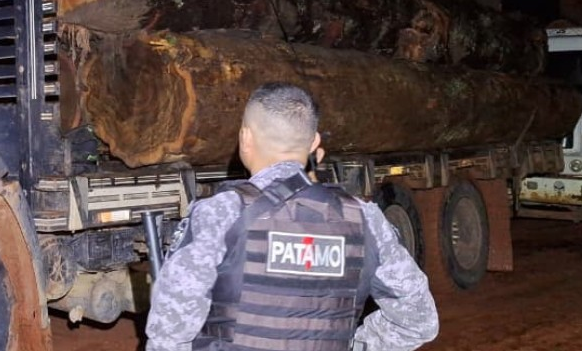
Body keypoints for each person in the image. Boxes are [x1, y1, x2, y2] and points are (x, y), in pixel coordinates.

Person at [146, 82, 439, 351]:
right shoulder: (366, 221)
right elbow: (418, 321)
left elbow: (169, 332)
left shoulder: (219, 215)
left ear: (245, 138)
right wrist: (358, 345)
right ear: (314, 143)